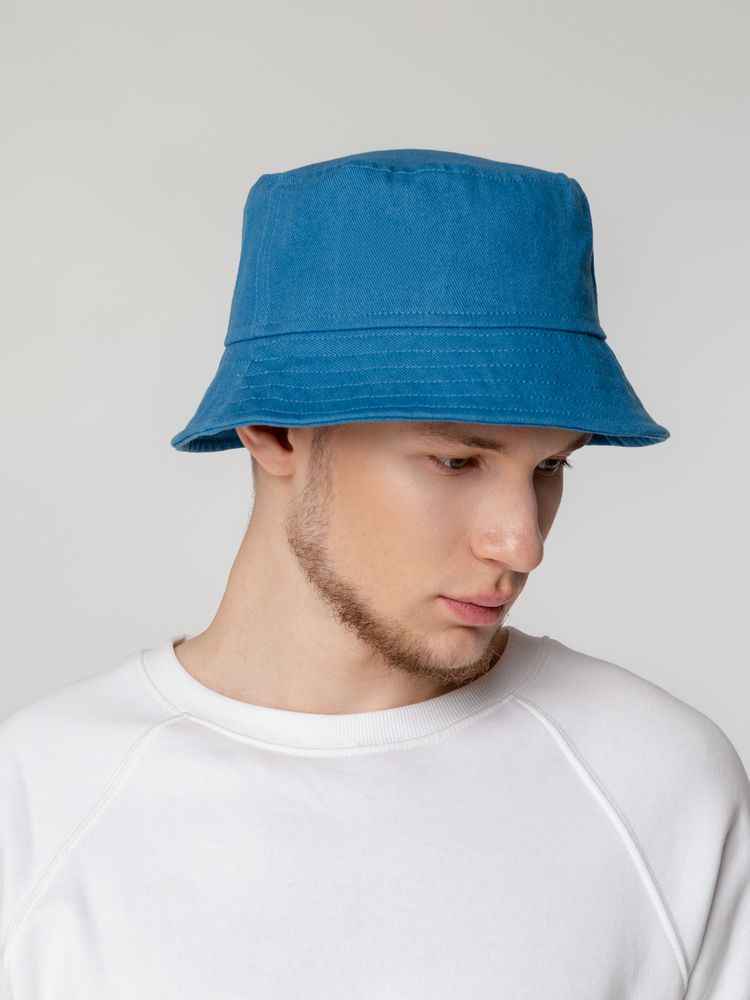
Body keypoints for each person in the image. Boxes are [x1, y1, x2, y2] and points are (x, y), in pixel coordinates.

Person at [1, 149, 748, 999]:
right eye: (457, 460)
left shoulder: (657, 780)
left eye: (551, 466)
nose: (522, 544)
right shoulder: (39, 797)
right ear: (275, 429)